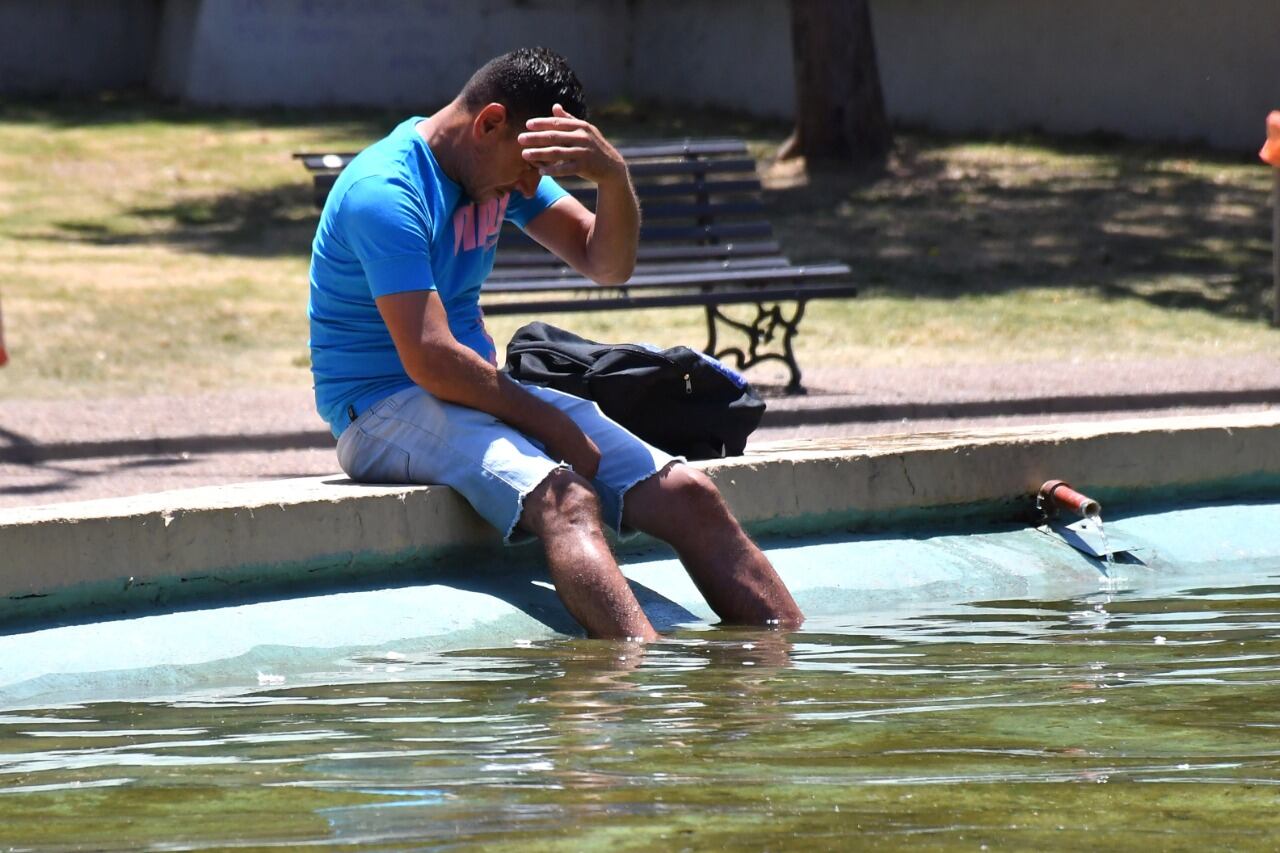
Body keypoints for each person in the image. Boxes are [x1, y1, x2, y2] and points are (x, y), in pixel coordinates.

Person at [308, 47, 802, 640]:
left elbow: (607, 262)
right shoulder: (384, 191)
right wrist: (554, 425)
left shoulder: (499, 168)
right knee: (566, 498)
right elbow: (429, 357)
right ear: (489, 123)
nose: (530, 184)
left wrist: (613, 177)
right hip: (381, 410)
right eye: (528, 167)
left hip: (470, 395)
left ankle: (788, 669)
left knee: (690, 494)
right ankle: (636, 688)